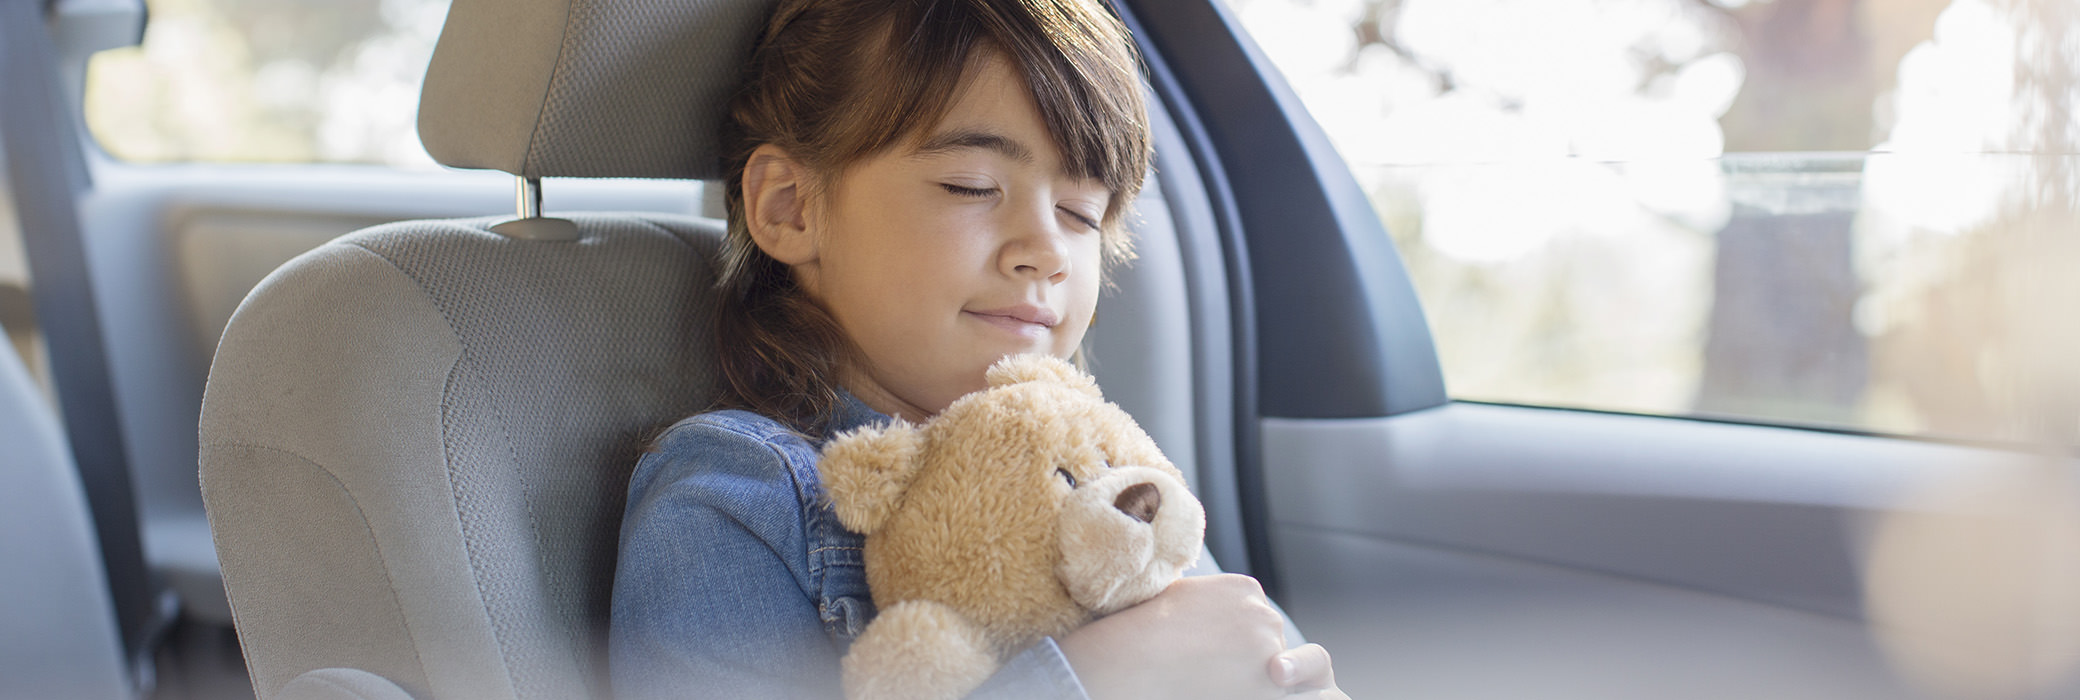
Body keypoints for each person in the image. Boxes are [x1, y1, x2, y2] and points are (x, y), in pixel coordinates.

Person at [609, 0, 1347, 697]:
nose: (1047, 251)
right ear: (790, 207)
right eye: (970, 186)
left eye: (1080, 212)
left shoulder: (1111, 470)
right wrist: (1093, 678)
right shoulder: (743, 497)